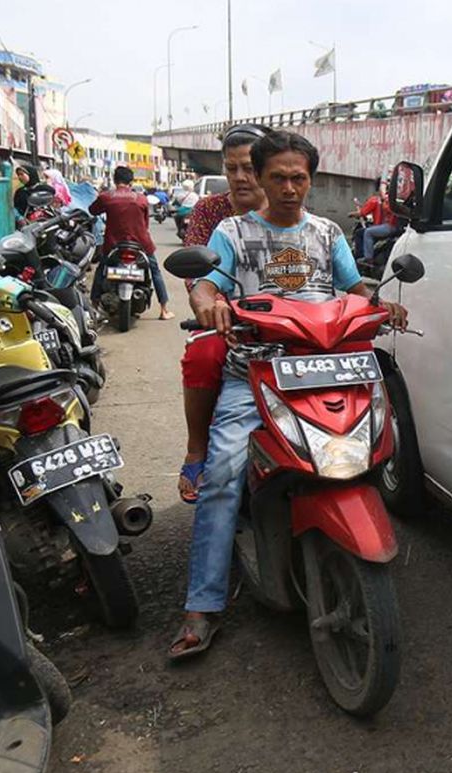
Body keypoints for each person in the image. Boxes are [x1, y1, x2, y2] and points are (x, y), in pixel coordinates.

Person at [168, 131, 407, 660]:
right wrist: (208, 300)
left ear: (311, 179)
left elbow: (355, 286)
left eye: (300, 177)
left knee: (376, 443)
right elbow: (205, 283)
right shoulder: (233, 231)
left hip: (329, 366)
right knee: (224, 471)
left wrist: (382, 302)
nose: (290, 187)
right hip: (254, 371)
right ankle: (202, 606)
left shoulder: (327, 232)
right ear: (259, 176)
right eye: (279, 177)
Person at [177, 123, 272, 504]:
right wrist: (211, 303)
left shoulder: (288, 211)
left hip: (286, 324)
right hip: (226, 324)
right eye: (231, 168)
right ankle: (197, 449)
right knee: (203, 355)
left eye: (248, 167)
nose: (239, 177)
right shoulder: (210, 211)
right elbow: (198, 277)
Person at [88, 165, 174, 320]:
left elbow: (92, 210)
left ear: (115, 180)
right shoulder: (141, 198)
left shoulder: (106, 197)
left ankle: (94, 305)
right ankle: (164, 309)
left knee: (101, 270)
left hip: (113, 244)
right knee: (155, 272)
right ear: (131, 182)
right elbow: (145, 223)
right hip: (141, 244)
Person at [358, 179, 398, 266]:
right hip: (387, 225)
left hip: (390, 226)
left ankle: (368, 258)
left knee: (367, 232)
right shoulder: (386, 199)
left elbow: (363, 212)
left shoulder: (386, 199)